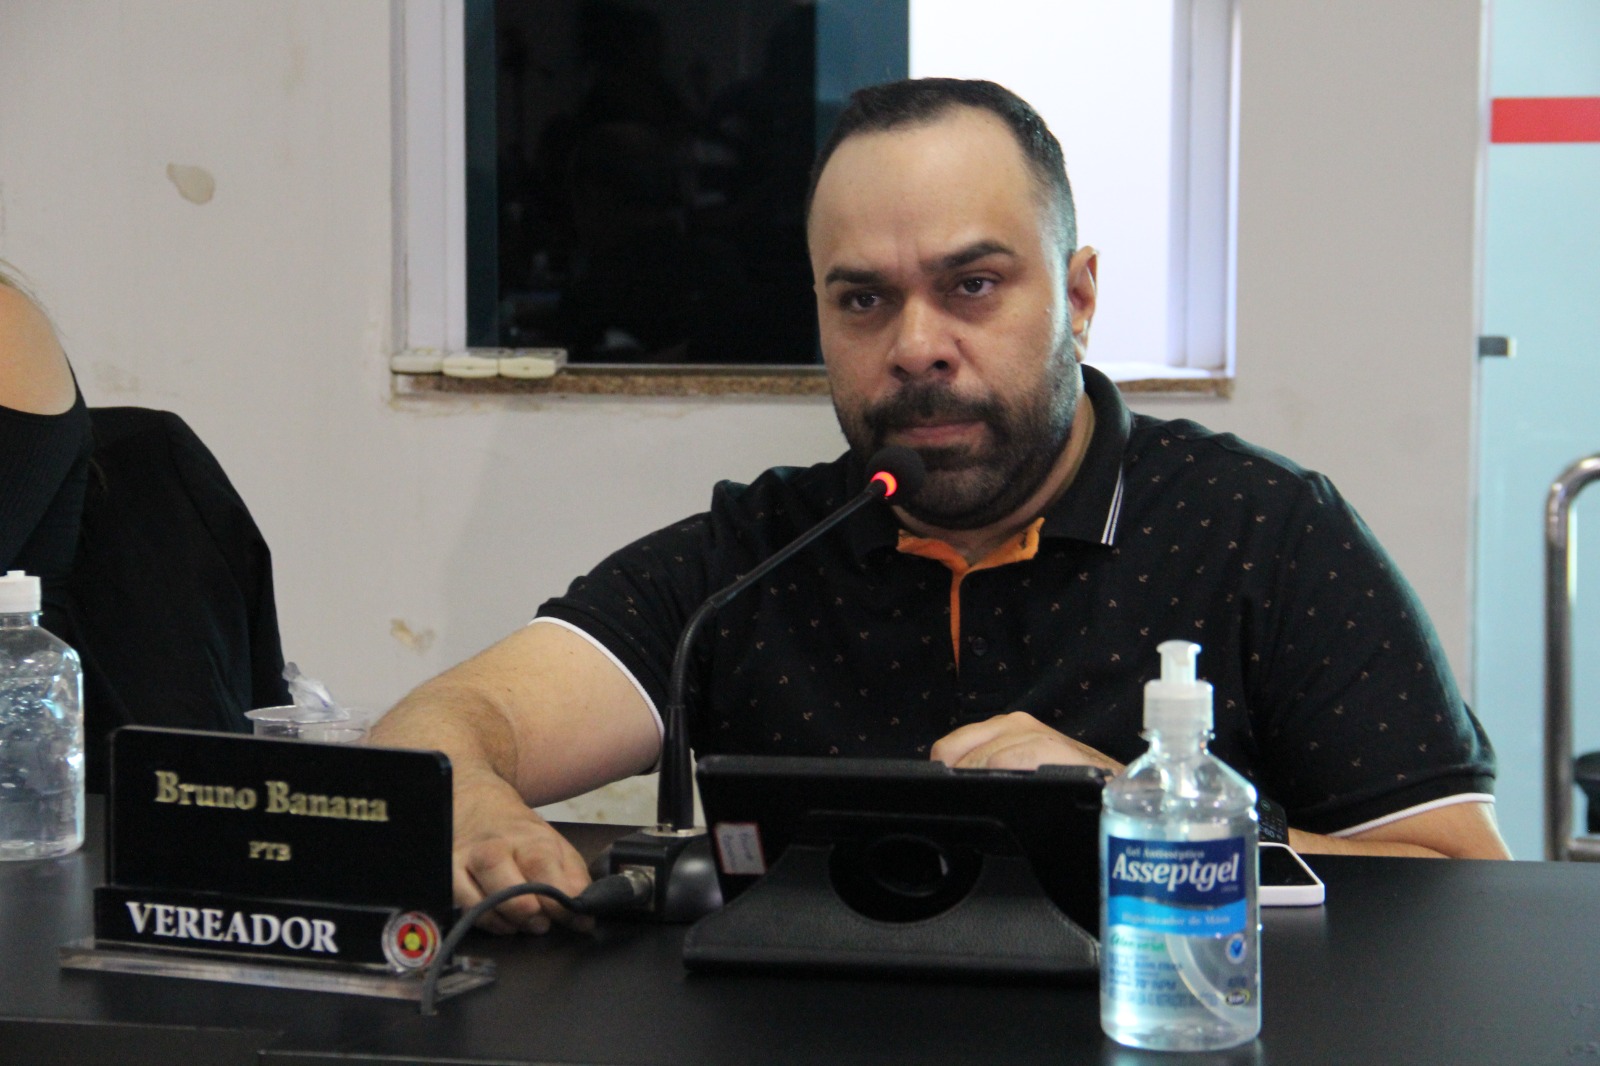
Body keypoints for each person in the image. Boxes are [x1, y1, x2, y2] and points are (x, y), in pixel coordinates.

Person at [370, 78, 1510, 935]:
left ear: (1078, 298)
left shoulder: (1263, 530)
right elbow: (443, 727)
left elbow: (1462, 889)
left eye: (972, 285)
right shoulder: (756, 556)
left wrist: (1142, 818)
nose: (917, 346)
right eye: (864, 300)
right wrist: (472, 803)